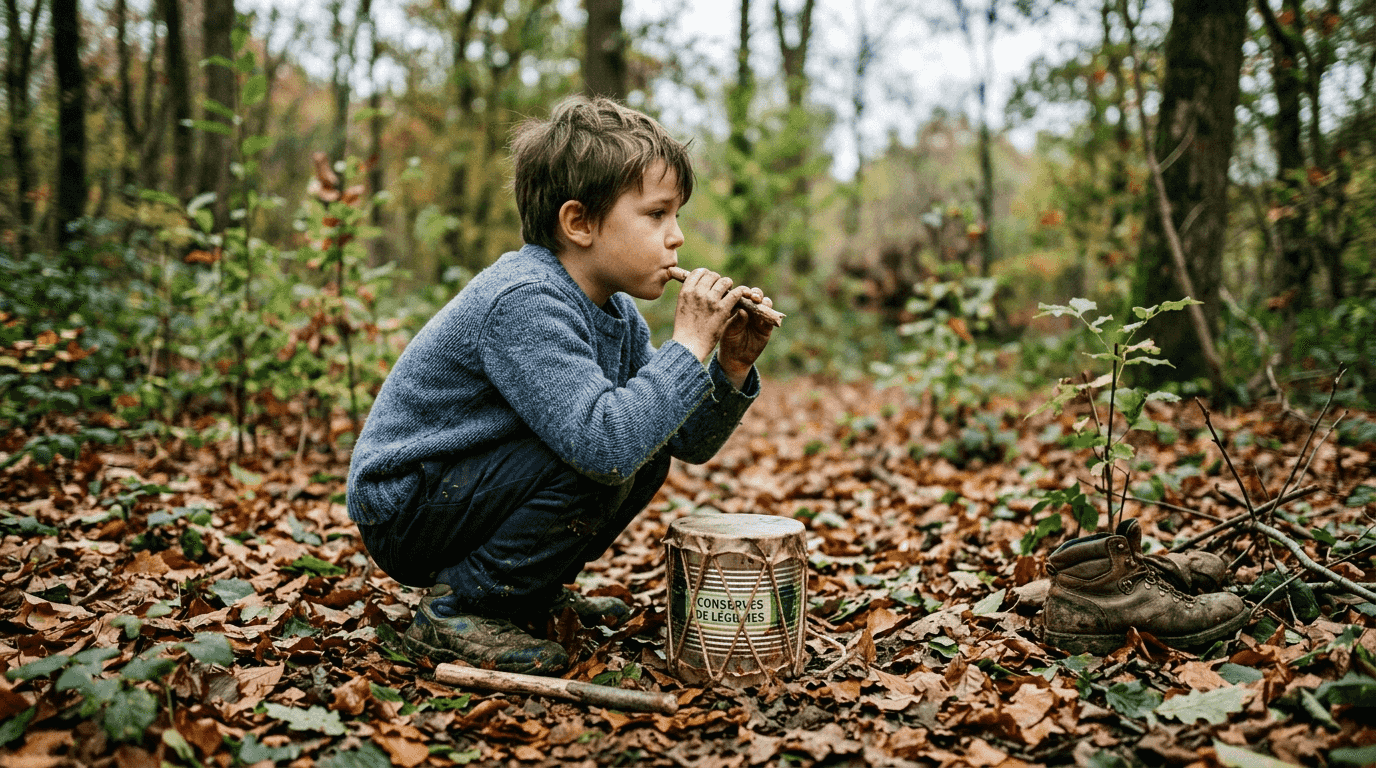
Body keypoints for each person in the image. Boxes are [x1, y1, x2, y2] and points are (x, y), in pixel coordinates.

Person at [345, 95, 776, 674]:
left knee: (645, 450)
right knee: (604, 448)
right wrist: (689, 345)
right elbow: (603, 444)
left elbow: (683, 440)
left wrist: (730, 366)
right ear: (579, 223)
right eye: (656, 215)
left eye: (677, 217)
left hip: (464, 493)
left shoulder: (615, 312)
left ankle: (521, 593)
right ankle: (460, 607)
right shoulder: (525, 299)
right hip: (408, 507)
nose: (676, 237)